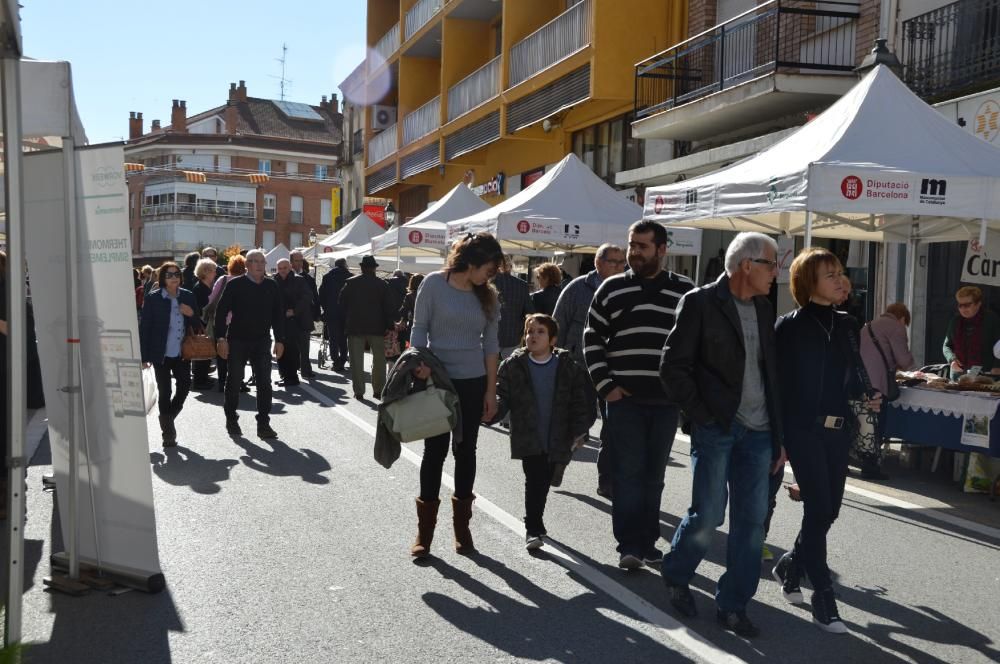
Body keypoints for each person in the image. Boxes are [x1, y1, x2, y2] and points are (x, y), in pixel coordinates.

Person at [659, 232, 785, 638]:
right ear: (747, 265)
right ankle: (677, 573)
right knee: (709, 514)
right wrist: (703, 416)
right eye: (772, 264)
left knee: (751, 525)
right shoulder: (699, 303)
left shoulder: (766, 309)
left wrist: (780, 435)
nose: (776, 273)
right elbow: (672, 368)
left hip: (761, 431)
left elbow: (771, 375)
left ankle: (732, 605)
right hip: (718, 428)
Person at [772, 247, 882, 635]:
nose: (840, 279)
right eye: (830, 274)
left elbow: (850, 374)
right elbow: (779, 386)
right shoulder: (788, 326)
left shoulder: (849, 324)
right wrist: (779, 440)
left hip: (839, 429)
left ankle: (792, 565)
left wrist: (870, 391)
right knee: (818, 508)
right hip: (802, 430)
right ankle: (823, 595)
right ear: (808, 282)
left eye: (840, 272)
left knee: (828, 512)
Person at [584, 220, 694, 570]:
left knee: (654, 475)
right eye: (632, 245)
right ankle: (629, 545)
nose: (634, 253)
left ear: (662, 250)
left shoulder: (686, 292)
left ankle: (648, 542)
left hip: (665, 404)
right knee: (628, 473)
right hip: (624, 400)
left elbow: (696, 345)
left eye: (642, 247)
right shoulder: (611, 289)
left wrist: (686, 394)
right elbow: (591, 339)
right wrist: (606, 388)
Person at [408, 232, 503, 557]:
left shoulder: (488, 296)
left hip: (473, 382)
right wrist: (419, 364)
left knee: (466, 451)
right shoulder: (433, 284)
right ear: (472, 261)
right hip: (435, 378)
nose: (490, 276)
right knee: (434, 453)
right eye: (489, 268)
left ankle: (462, 531)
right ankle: (425, 536)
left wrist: (491, 390)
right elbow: (419, 329)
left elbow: (491, 347)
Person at [495, 314, 595, 550]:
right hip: (529, 435)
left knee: (544, 478)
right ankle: (534, 528)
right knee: (534, 479)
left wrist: (581, 430)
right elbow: (502, 395)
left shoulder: (568, 366)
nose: (533, 336)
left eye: (540, 331)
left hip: (559, 434)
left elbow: (580, 401)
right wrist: (491, 411)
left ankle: (555, 471)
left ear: (552, 339)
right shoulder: (513, 365)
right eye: (529, 331)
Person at [553, 242, 625, 497]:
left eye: (621, 262)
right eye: (613, 261)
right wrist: (557, 360)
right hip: (580, 366)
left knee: (613, 427)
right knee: (582, 421)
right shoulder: (577, 288)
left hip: (615, 368)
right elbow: (557, 323)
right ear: (598, 263)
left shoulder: (628, 288)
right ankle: (560, 461)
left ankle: (607, 480)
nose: (619, 266)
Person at [214, 249, 285, 439]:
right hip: (237, 339)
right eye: (255, 261)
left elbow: (278, 315)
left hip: (262, 340)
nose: (260, 265)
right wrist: (221, 339)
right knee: (235, 380)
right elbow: (220, 313)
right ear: (247, 265)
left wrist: (279, 340)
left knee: (264, 383)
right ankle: (231, 418)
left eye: (262, 261)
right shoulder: (235, 285)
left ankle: (263, 423)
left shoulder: (272, 285)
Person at [139, 261, 201, 446]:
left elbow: (198, 324)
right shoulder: (153, 298)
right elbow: (145, 328)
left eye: (176, 274)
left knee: (184, 387)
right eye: (169, 275)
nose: (174, 277)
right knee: (165, 391)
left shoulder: (188, 296)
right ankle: (168, 433)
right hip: (161, 353)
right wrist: (144, 356)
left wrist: (190, 313)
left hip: (182, 352)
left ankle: (167, 419)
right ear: (163, 279)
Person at [857, 303, 914, 480]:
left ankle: (853, 460)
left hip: (859, 380)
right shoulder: (897, 327)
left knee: (861, 422)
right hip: (877, 382)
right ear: (903, 318)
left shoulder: (869, 325)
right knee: (877, 424)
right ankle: (871, 466)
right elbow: (904, 360)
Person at [339, 255, 396, 400]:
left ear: (362, 268)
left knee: (356, 360)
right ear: (374, 268)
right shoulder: (382, 284)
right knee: (379, 361)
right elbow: (389, 307)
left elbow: (341, 303)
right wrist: (390, 325)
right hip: (377, 327)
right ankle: (378, 390)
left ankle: (359, 391)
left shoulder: (351, 283)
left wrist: (348, 318)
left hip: (355, 326)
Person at [207, 254, 247, 394]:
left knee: (222, 354)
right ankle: (239, 382)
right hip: (240, 323)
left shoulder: (222, 279)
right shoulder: (246, 282)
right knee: (239, 354)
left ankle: (222, 382)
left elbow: (211, 299)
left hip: (221, 322)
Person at [943, 285, 1000, 380]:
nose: (963, 309)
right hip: (959, 374)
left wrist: (997, 366)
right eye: (960, 305)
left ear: (978, 304)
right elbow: (947, 345)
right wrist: (952, 360)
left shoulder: (991, 320)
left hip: (987, 374)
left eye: (967, 305)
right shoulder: (955, 321)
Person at [274, 258, 312, 387]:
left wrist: (294, 311)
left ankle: (292, 377)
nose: (282, 271)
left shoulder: (299, 279)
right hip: (280, 321)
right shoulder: (275, 280)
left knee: (292, 350)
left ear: (290, 267)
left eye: (285, 268)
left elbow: (307, 298)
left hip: (295, 321)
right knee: (280, 347)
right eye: (280, 268)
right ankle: (284, 375)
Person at [493, 257, 534, 360]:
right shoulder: (522, 285)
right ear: (510, 267)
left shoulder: (486, 283)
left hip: (489, 336)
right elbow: (529, 313)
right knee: (509, 371)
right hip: (513, 337)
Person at [191, 258, 220, 389]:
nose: (215, 273)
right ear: (206, 272)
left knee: (206, 352)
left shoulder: (207, 286)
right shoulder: (199, 288)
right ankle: (199, 381)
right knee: (201, 352)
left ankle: (203, 377)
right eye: (213, 271)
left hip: (206, 324)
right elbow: (200, 308)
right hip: (201, 325)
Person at [290, 249, 319, 378]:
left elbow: (315, 297)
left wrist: (316, 314)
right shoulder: (287, 276)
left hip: (304, 317)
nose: (300, 263)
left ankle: (306, 370)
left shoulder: (308, 278)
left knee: (304, 346)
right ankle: (291, 369)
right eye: (297, 260)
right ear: (291, 262)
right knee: (291, 346)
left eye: (301, 260)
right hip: (289, 318)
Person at [319, 257, 352, 371]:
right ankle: (342, 359)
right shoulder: (350, 277)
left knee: (333, 337)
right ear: (344, 265)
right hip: (346, 313)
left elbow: (321, 294)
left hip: (331, 312)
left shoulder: (327, 277)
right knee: (343, 337)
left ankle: (335, 360)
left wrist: (325, 308)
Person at [398, 273, 424, 350]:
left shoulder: (409, 296)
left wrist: (403, 320)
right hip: (428, 326)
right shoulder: (428, 295)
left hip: (414, 325)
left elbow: (403, 311)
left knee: (412, 348)